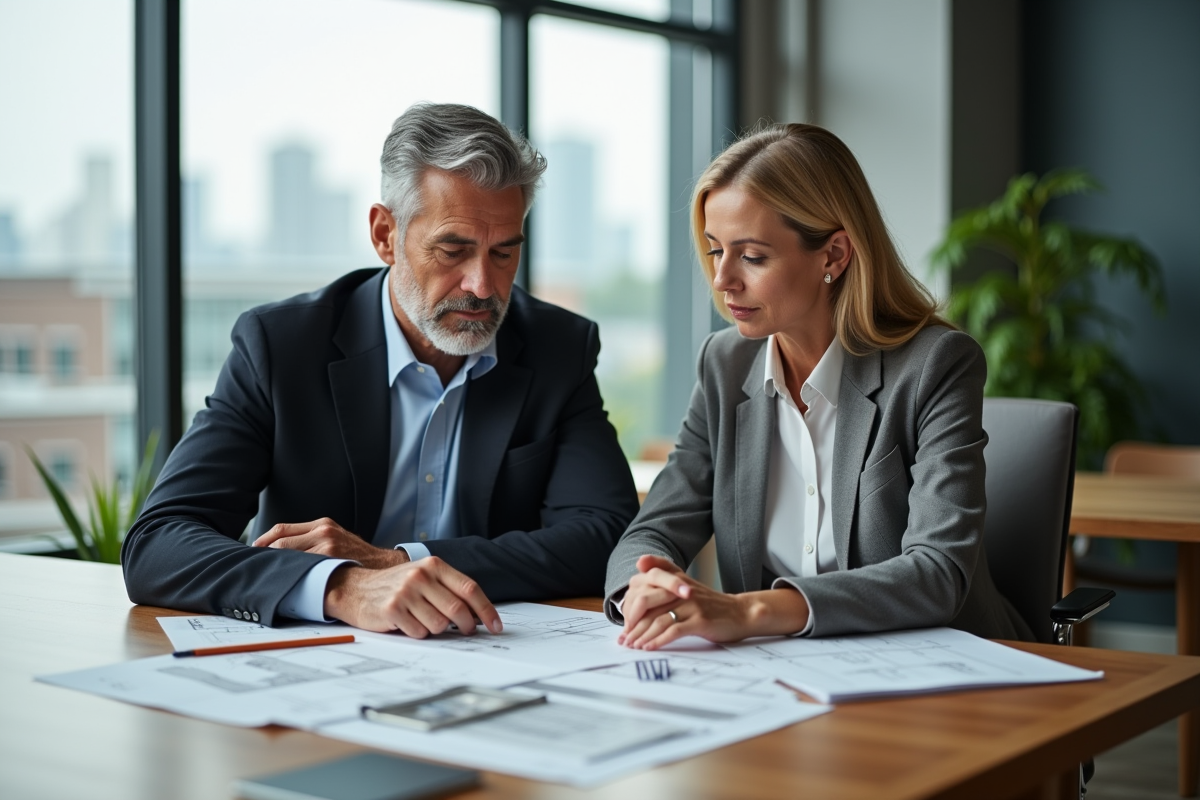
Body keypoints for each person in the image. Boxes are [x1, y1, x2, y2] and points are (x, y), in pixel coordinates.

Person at [123, 103, 639, 638]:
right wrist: (341, 586)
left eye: (503, 254)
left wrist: (399, 562)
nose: (483, 285)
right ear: (385, 234)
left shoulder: (558, 347)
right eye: (453, 250)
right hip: (321, 672)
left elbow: (607, 534)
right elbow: (158, 544)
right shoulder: (281, 347)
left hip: (495, 657)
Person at [606, 123, 1032, 650]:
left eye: (753, 256)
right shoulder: (724, 364)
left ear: (833, 255)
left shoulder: (934, 365)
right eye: (716, 251)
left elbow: (938, 572)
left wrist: (751, 610)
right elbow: (653, 531)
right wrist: (643, 588)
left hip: (932, 667)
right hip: (781, 670)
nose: (723, 280)